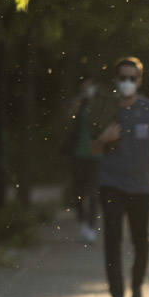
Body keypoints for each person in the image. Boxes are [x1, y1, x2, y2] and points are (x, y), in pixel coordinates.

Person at [90, 56, 149, 297]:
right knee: (112, 240)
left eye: (132, 78)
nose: (127, 82)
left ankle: (137, 289)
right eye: (123, 78)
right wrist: (103, 139)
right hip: (111, 184)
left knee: (142, 241)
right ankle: (117, 295)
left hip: (142, 186)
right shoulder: (105, 109)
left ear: (139, 81)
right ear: (116, 80)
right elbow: (88, 151)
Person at [64, 76, 101, 242]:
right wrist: (79, 102)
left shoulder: (100, 106)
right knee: (78, 191)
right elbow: (68, 120)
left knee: (93, 192)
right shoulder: (79, 105)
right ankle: (82, 221)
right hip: (78, 154)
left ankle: (92, 225)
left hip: (96, 155)